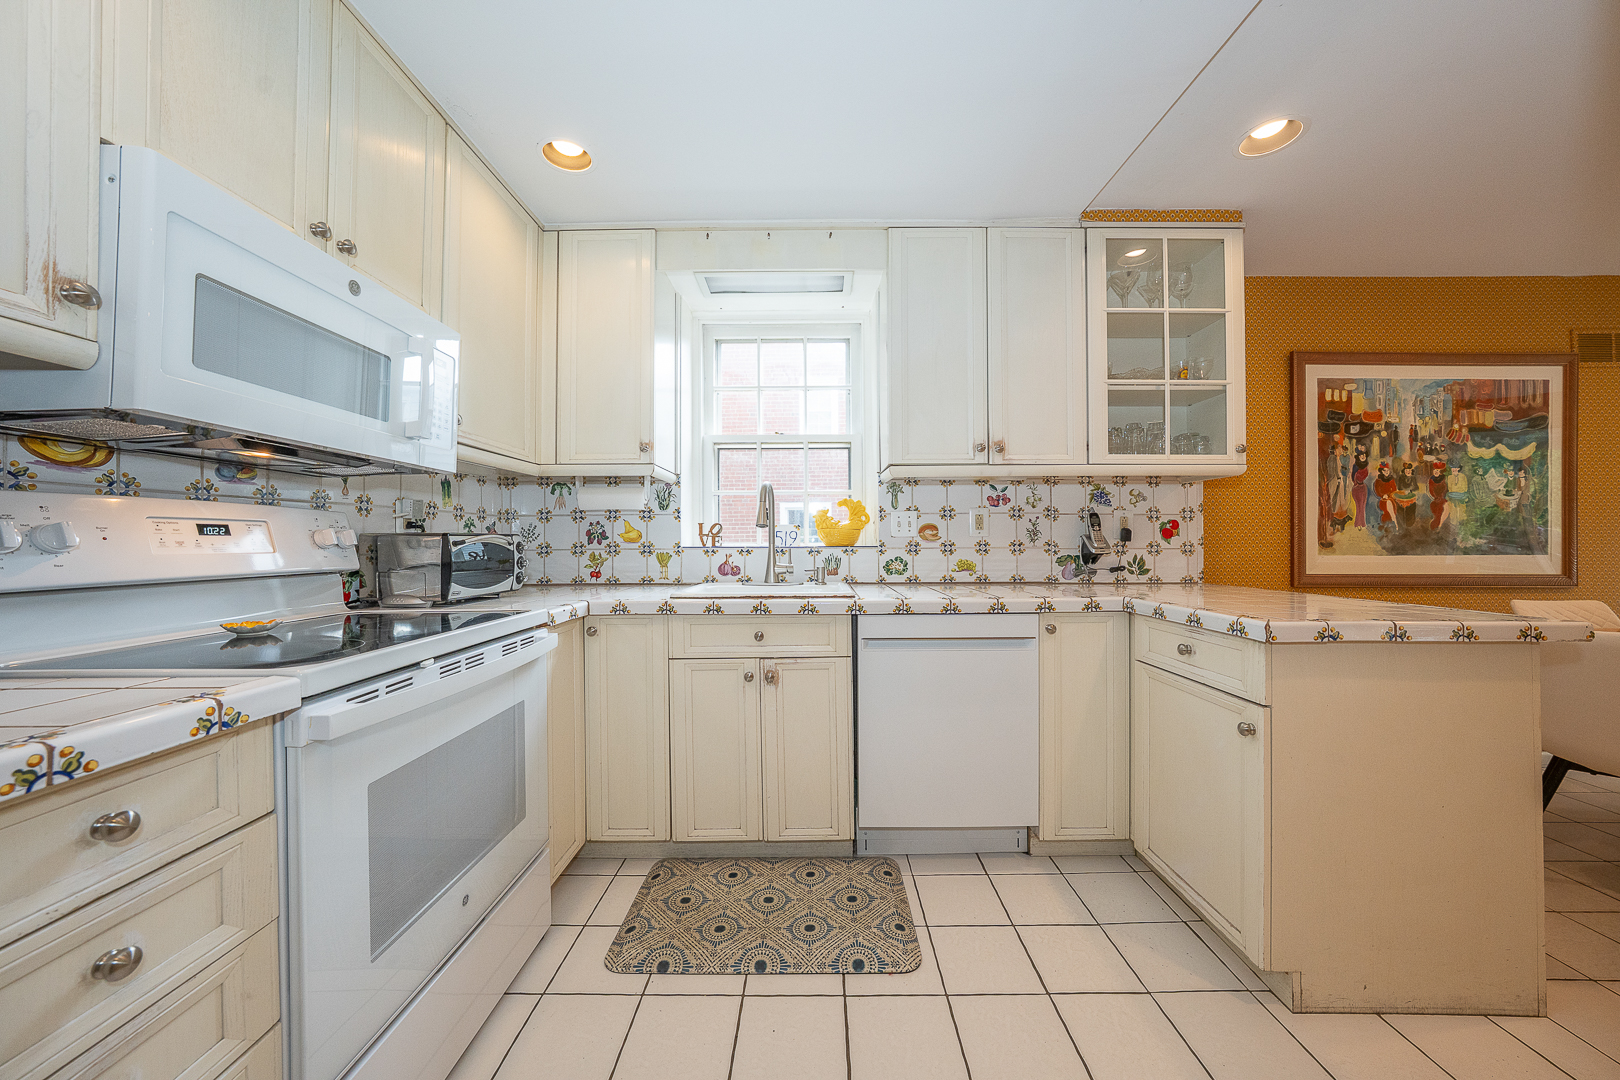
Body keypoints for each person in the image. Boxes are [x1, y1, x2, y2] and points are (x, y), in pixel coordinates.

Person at [1372, 460, 1398, 526]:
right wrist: (1383, 495)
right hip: (1382, 500)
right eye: (1384, 470)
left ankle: (1393, 521)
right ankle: (1393, 522)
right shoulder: (1378, 480)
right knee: (1388, 504)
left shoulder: (1391, 479)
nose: (1386, 472)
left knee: (1391, 504)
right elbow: (1377, 491)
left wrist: (1389, 495)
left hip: (1391, 498)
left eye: (1387, 470)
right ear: (1381, 471)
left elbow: (1394, 490)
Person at [1352, 444, 1371, 527]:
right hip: (1357, 488)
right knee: (1358, 506)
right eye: (1361, 455)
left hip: (1363, 487)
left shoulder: (1366, 465)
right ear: (1358, 457)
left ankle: (1362, 523)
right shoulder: (1356, 466)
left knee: (1363, 506)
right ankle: (1357, 523)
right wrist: (1356, 484)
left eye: (1364, 455)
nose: (1363, 456)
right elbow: (1353, 477)